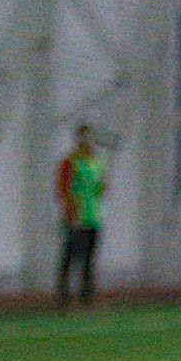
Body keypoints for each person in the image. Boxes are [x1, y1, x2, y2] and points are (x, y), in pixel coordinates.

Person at [54, 126, 105, 307]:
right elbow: (63, 188)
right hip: (76, 217)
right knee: (70, 257)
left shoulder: (97, 162)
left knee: (89, 259)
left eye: (90, 138)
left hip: (93, 216)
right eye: (83, 137)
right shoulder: (70, 162)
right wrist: (71, 210)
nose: (87, 141)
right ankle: (64, 297)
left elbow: (100, 188)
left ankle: (87, 297)